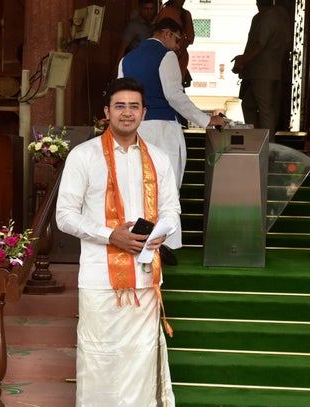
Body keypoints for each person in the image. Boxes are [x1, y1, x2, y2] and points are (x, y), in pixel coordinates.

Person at [55, 77, 182, 407]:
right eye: (119, 105)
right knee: (98, 356)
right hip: (98, 276)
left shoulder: (159, 159)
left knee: (138, 359)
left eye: (134, 106)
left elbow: (173, 212)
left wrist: (153, 235)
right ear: (106, 112)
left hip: (144, 275)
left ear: (145, 113)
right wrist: (112, 235)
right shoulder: (83, 156)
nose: (127, 112)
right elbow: (65, 216)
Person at [119, 17, 227, 260]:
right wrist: (206, 120)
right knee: (166, 185)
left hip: (135, 128)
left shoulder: (126, 60)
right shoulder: (165, 56)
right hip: (163, 129)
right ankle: (163, 242)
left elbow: (121, 95)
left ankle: (138, 240)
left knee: (137, 185)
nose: (178, 46)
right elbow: (175, 96)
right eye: (178, 40)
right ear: (166, 34)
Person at [231, 0, 291, 141]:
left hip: (262, 71)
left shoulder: (265, 18)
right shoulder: (282, 16)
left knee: (266, 110)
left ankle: (267, 145)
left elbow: (258, 45)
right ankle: (257, 138)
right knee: (250, 105)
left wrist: (243, 60)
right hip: (275, 69)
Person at [155, 0, 194, 87]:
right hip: (164, 53)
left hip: (180, 57)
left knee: (176, 85)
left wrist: (179, 51)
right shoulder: (165, 11)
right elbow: (160, 33)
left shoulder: (186, 14)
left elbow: (190, 38)